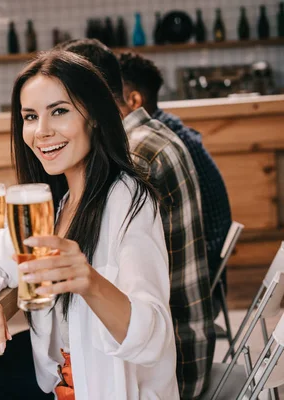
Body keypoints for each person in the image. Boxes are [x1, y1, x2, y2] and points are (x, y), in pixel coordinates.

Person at [0, 50, 178, 399]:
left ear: (95, 117)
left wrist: (89, 281)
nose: (41, 131)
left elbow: (154, 338)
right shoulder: (58, 202)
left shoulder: (128, 199)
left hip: (110, 390)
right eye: (30, 116)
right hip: (62, 383)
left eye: (59, 111)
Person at [63, 39, 215, 399]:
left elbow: (81, 250)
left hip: (164, 367)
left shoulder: (133, 160)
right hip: (180, 340)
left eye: (62, 106)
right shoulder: (155, 134)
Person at [118, 51, 232, 285]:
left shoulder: (150, 147)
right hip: (209, 273)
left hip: (200, 277)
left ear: (133, 100)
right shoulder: (170, 130)